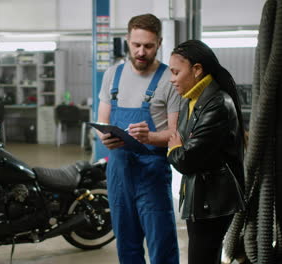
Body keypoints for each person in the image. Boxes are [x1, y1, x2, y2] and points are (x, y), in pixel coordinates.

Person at [97, 13, 180, 264]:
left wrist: (150, 136)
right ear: (127, 41)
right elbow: (102, 122)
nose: (141, 52)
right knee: (127, 246)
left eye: (149, 46)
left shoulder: (170, 79)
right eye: (136, 45)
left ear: (160, 43)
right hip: (118, 173)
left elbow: (175, 135)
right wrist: (104, 138)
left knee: (161, 246)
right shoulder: (113, 74)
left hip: (152, 175)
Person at [167, 39, 246, 264]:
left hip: (214, 200)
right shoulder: (191, 100)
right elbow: (184, 145)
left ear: (197, 70)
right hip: (200, 195)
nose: (172, 79)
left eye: (176, 72)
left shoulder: (218, 104)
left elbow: (185, 159)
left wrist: (175, 147)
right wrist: (179, 145)